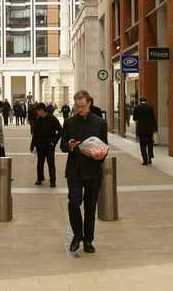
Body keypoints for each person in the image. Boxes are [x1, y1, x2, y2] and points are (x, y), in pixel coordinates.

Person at [60, 90, 108, 254]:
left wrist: (99, 155)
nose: (80, 109)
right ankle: (77, 236)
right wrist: (70, 146)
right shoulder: (69, 123)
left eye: (82, 106)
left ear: (89, 104)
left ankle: (88, 240)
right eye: (77, 106)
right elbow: (63, 145)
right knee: (74, 202)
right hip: (74, 170)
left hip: (93, 170)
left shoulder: (100, 123)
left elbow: (105, 147)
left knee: (90, 207)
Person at [30, 103, 62, 187]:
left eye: (37, 111)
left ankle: (52, 180)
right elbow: (35, 134)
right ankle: (40, 178)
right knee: (40, 163)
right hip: (40, 145)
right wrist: (32, 146)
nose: (37, 113)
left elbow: (60, 131)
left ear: (41, 110)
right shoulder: (38, 120)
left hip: (49, 145)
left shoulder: (52, 119)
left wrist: (54, 141)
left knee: (50, 162)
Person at [133, 96, 158, 165]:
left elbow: (134, 118)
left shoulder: (137, 108)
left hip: (141, 129)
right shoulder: (150, 107)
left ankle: (145, 160)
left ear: (140, 101)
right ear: (146, 100)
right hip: (149, 128)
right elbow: (153, 118)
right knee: (150, 142)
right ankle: (150, 157)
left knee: (142, 144)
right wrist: (155, 129)